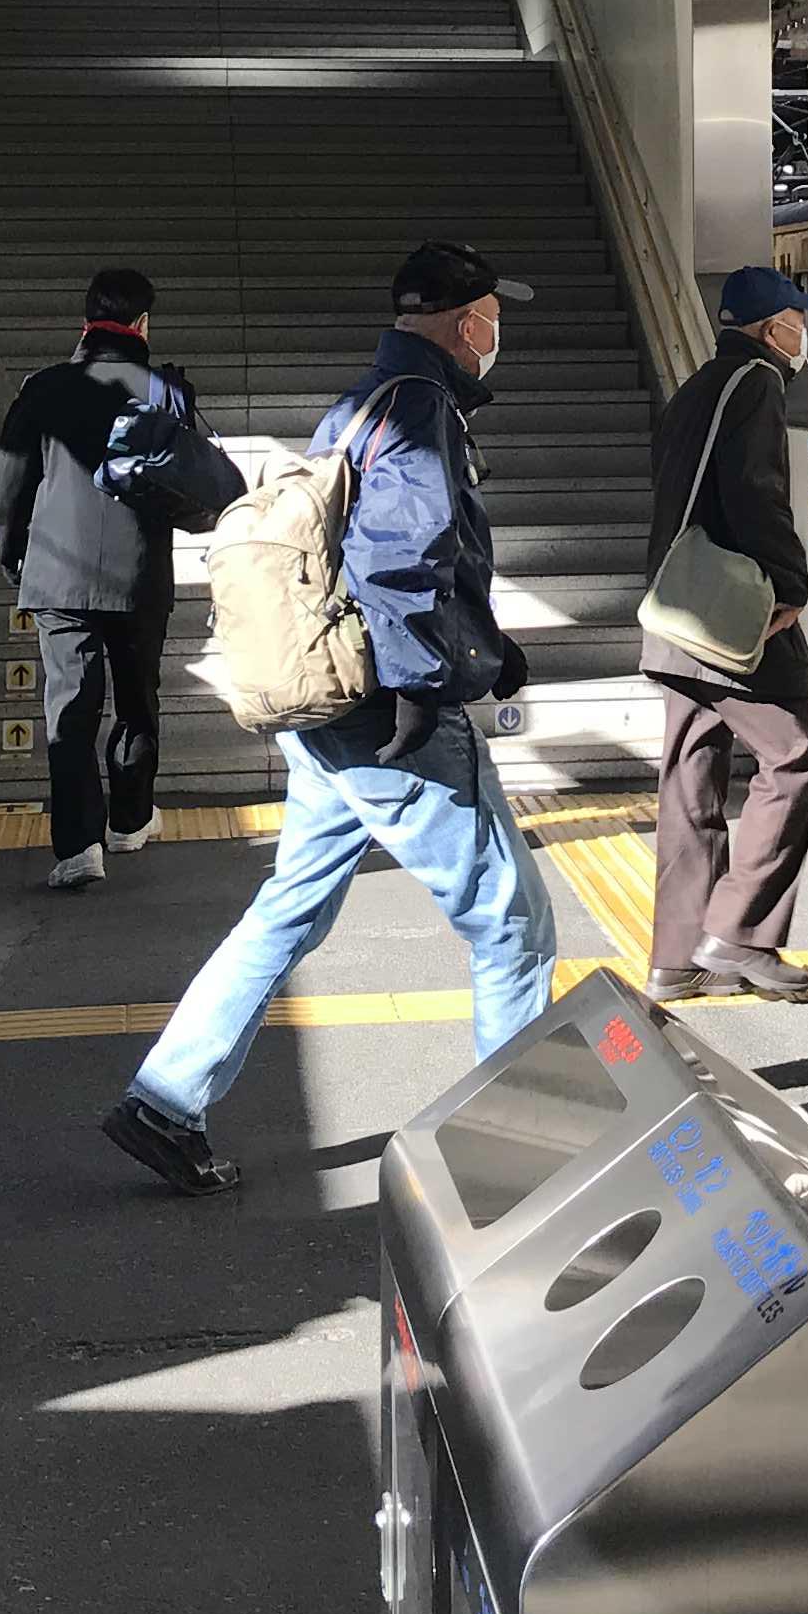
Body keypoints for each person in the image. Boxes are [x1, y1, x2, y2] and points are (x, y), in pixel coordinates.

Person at [104, 242, 557, 1196]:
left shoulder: (360, 402)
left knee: (291, 907)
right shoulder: (422, 408)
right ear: (468, 323)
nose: (496, 333)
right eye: (492, 317)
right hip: (387, 710)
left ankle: (166, 1098)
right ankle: (515, 1149)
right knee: (510, 923)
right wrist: (426, 683)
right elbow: (401, 556)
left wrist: (484, 647)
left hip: (329, 707)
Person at [643, 265, 808, 1004]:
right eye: (797, 319)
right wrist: (788, 585)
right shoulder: (756, 383)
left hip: (677, 613)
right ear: (771, 328)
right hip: (731, 619)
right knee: (794, 757)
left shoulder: (698, 386)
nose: (803, 331)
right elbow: (757, 494)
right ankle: (739, 933)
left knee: (690, 779)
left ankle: (677, 958)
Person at [0, 268, 189, 890]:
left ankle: (79, 848)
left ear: (85, 322)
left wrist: (13, 550)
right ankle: (130, 820)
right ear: (143, 324)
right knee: (137, 698)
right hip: (139, 574)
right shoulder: (166, 391)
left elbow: (8, 478)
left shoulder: (45, 387)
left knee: (70, 707)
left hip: (59, 575)